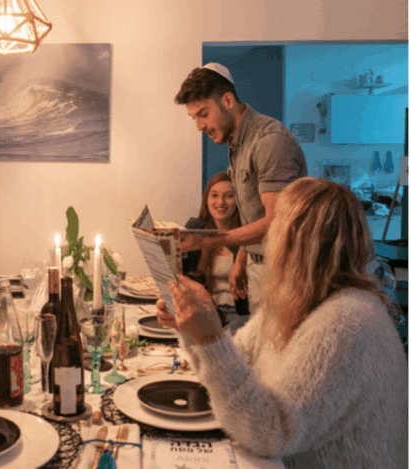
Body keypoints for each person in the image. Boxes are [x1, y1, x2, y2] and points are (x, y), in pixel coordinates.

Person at [155, 177, 408, 468]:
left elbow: (271, 434)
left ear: (298, 239)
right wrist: (194, 327)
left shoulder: (348, 320)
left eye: (276, 224)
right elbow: (229, 367)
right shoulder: (295, 300)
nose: (267, 237)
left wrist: (210, 338)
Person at [174, 62, 307, 314]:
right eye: (194, 118)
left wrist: (206, 241)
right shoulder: (237, 143)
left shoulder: (269, 141)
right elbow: (254, 215)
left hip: (281, 270)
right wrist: (242, 260)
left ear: (227, 101)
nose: (199, 126)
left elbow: (277, 221)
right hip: (258, 264)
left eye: (203, 114)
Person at [182, 171, 249, 328]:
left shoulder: (247, 235)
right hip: (206, 312)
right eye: (214, 195)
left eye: (229, 196)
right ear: (206, 199)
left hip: (239, 314)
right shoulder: (196, 230)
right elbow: (181, 275)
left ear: (238, 200)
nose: (221, 202)